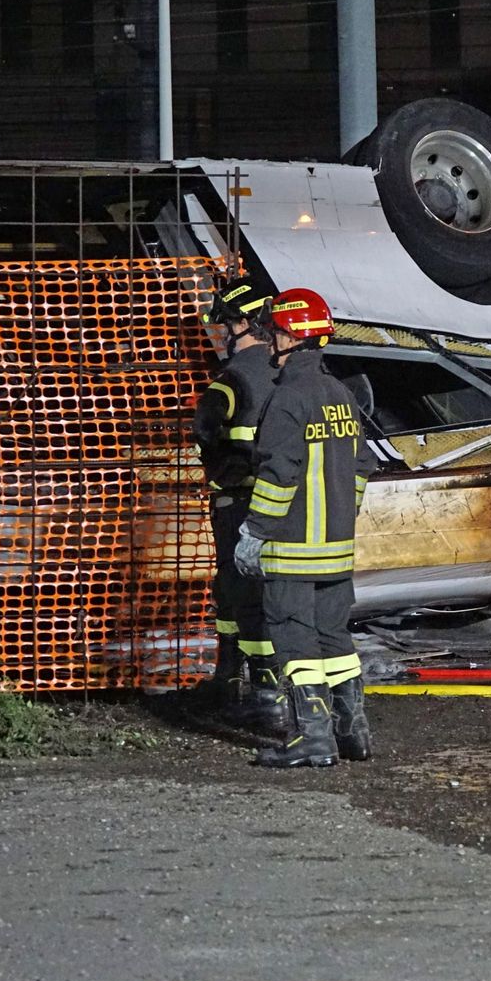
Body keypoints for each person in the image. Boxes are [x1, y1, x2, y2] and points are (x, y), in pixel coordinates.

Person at [236, 288, 376, 768]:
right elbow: (362, 465)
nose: (269, 338)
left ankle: (313, 741)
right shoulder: (340, 394)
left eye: (273, 329)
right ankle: (353, 733)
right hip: (337, 550)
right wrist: (342, 514)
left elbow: (278, 473)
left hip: (292, 549)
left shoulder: (289, 398)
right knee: (335, 638)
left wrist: (253, 532)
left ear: (292, 335)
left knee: (294, 639)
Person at [190, 279, 286, 732]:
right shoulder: (284, 374)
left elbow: (205, 428)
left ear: (245, 324)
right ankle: (238, 682)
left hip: (236, 503)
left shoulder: (231, 380)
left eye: (226, 322)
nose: (221, 332)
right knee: (245, 591)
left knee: (239, 591)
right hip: (282, 503)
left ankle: (250, 690)